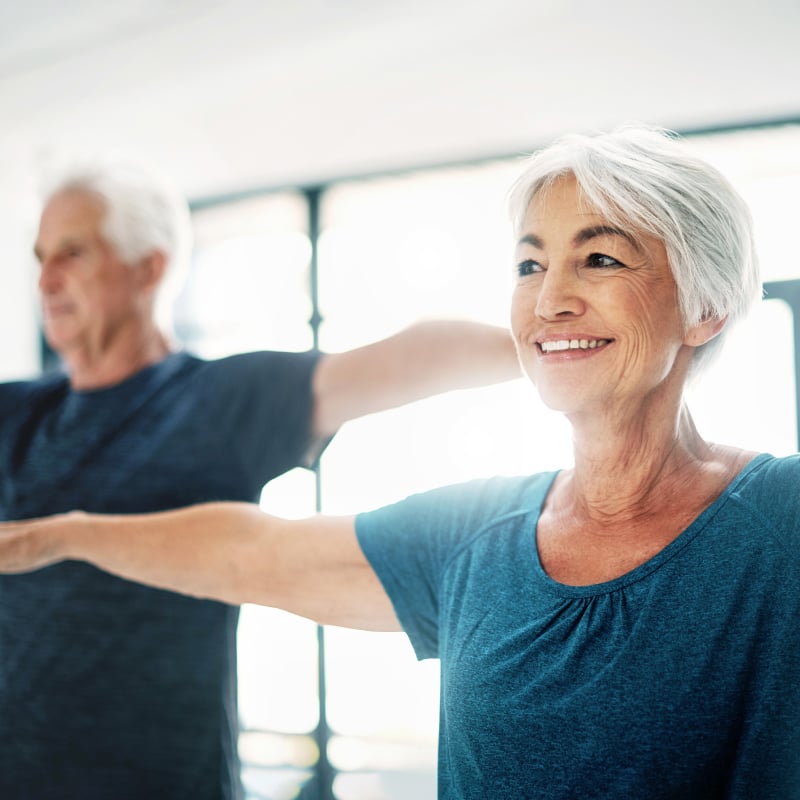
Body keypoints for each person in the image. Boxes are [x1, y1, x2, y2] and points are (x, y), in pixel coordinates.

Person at [2, 123, 797, 800]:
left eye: (601, 260)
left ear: (707, 306)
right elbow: (257, 551)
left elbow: (406, 357)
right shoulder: (478, 534)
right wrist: (60, 534)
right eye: (529, 266)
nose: (549, 297)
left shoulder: (782, 521)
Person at [0, 157, 521, 800]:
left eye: (72, 253)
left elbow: (404, 358)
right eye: (40, 256)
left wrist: (552, 347)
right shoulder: (14, 413)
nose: (45, 279)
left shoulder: (218, 400)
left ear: (148, 268)